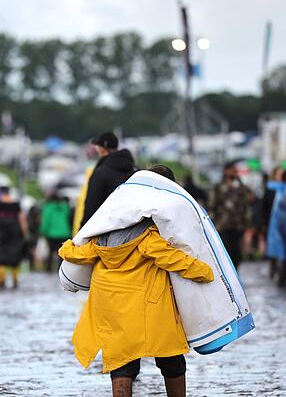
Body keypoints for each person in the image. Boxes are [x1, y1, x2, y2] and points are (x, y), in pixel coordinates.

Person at [58, 165, 214, 397]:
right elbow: (172, 259)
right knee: (170, 358)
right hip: (149, 304)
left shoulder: (104, 232)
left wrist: (66, 247)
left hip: (111, 304)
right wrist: (205, 271)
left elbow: (79, 253)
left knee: (121, 362)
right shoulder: (148, 234)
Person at [80, 132, 136, 229]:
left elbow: (92, 206)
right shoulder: (135, 170)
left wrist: (82, 230)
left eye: (97, 146)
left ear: (102, 149)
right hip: (132, 227)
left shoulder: (101, 172)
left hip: (106, 229)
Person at [208, 162, 251, 269]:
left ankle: (235, 271)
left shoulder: (241, 187)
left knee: (237, 251)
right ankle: (228, 271)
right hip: (223, 224)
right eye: (232, 170)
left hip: (238, 225)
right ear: (226, 171)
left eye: (235, 171)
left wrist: (247, 224)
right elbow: (212, 204)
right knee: (225, 250)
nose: (234, 173)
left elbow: (246, 204)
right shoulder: (218, 186)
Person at [0, 187, 28, 289]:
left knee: (0, 257)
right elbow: (22, 219)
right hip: (15, 233)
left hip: (0, 233)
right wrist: (25, 233)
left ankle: (1, 282)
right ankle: (15, 281)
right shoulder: (15, 204)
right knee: (15, 257)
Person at [39, 191, 72, 272]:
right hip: (65, 233)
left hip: (52, 234)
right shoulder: (65, 207)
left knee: (51, 252)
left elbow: (46, 221)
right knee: (62, 253)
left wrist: (43, 231)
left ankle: (49, 270)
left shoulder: (48, 207)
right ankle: (61, 270)